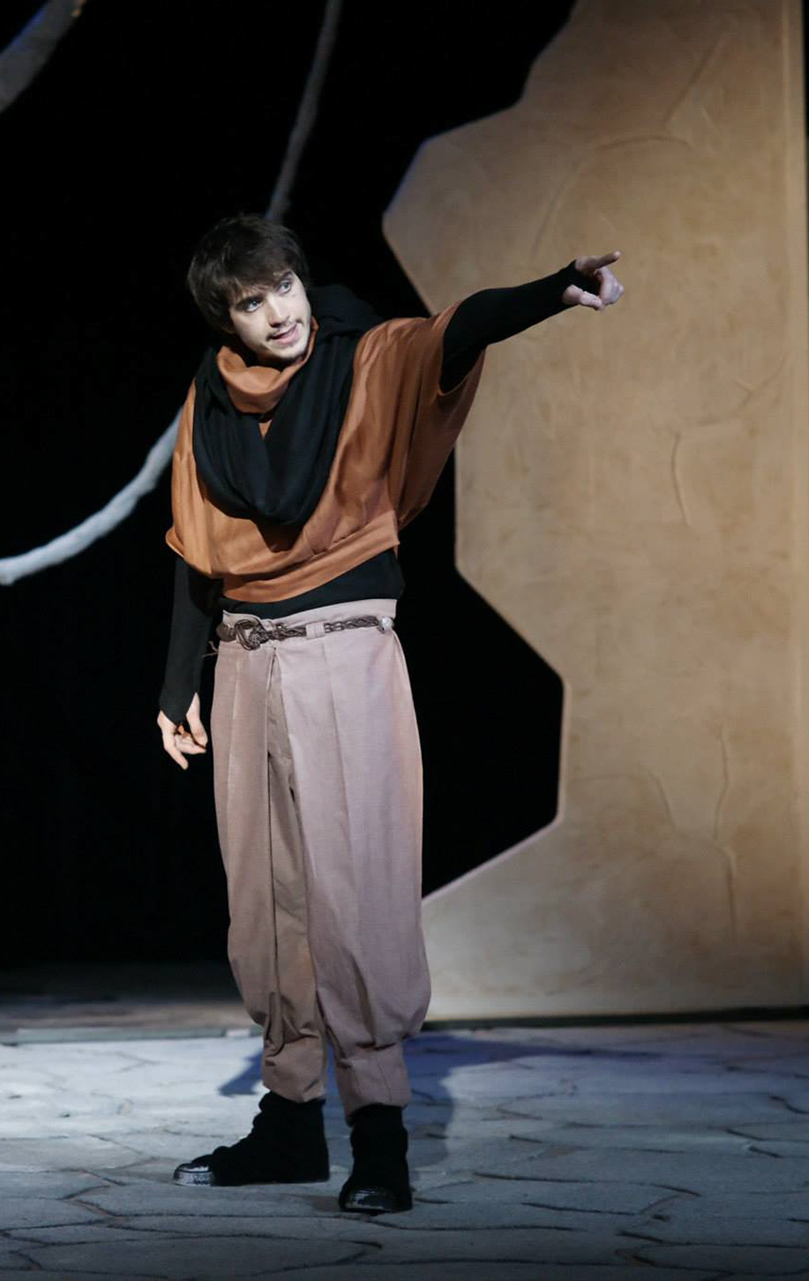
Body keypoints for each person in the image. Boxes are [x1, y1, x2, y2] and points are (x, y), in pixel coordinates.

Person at [158, 215, 623, 1213]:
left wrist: (552, 290)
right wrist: (175, 686)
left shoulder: (366, 360)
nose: (278, 313)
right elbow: (197, 549)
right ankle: (290, 1121)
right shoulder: (212, 398)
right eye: (251, 301)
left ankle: (379, 1134)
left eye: (284, 287)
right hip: (243, 658)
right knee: (268, 899)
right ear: (226, 319)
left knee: (355, 884)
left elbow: (456, 330)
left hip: (342, 648)